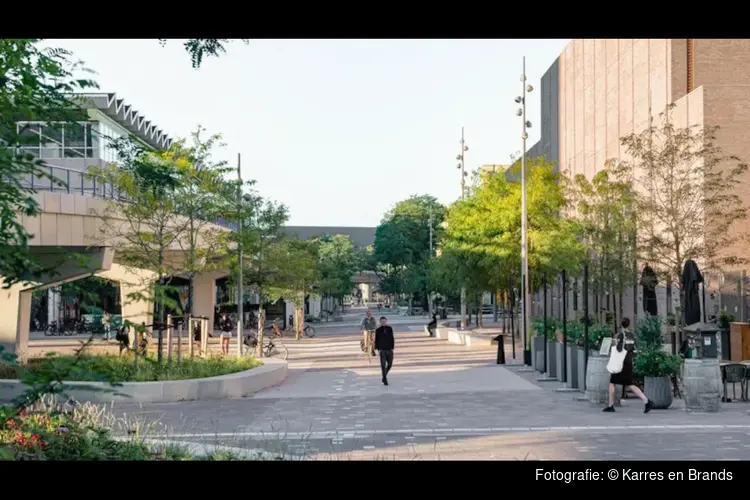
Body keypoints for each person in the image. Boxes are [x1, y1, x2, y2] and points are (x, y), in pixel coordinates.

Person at [603, 317, 653, 413]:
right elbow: (632, 348)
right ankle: (646, 401)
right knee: (629, 384)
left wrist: (614, 343)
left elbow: (619, 349)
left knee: (612, 383)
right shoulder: (631, 335)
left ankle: (611, 405)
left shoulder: (621, 335)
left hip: (620, 361)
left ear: (621, 324)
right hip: (628, 360)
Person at [375, 316, 395, 386]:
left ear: (386, 321)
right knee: (383, 365)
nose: (383, 322)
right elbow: (376, 341)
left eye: (384, 321)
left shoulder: (390, 328)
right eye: (382, 321)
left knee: (390, 364)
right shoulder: (378, 330)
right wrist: (378, 349)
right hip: (382, 350)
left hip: (389, 349)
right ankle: (385, 379)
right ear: (380, 322)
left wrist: (392, 347)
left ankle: (384, 376)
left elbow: (392, 338)